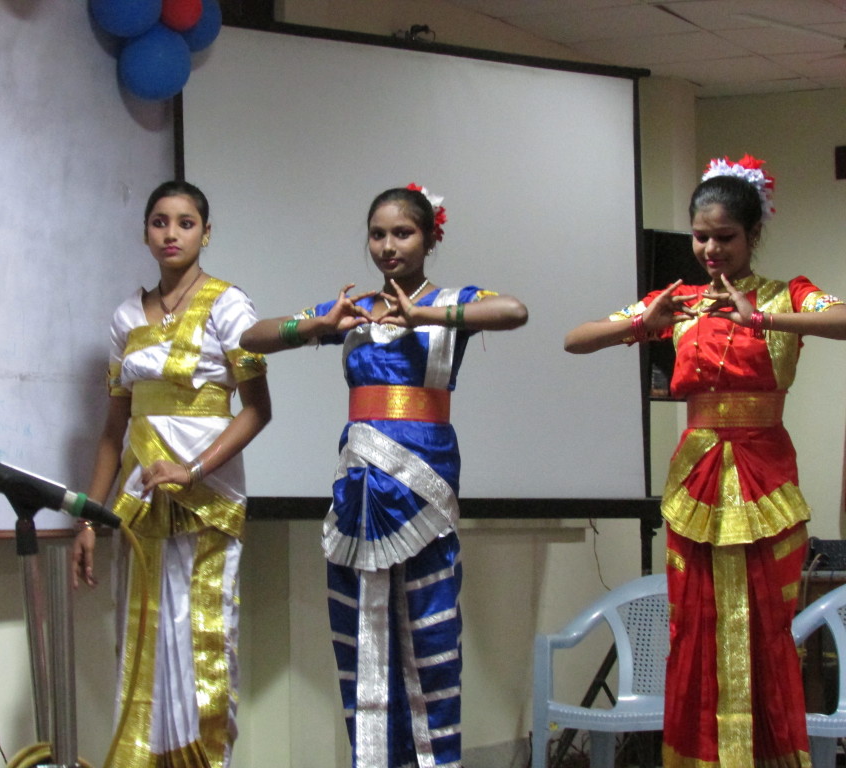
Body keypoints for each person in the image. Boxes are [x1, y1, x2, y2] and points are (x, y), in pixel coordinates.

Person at [564, 155, 846, 768]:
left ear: (753, 235)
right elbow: (576, 337)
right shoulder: (681, 301)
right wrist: (643, 323)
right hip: (696, 477)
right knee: (694, 627)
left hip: (766, 473)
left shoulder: (786, 294)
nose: (711, 249)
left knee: (767, 629)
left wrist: (764, 318)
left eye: (725, 237)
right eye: (701, 237)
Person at [241, 184, 528, 768]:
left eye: (403, 233)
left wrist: (425, 314)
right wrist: (319, 324)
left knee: (431, 643)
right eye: (378, 234)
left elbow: (514, 311)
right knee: (362, 646)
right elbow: (253, 338)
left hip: (423, 493)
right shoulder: (355, 311)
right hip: (360, 496)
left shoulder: (453, 302)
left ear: (429, 237)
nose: (389, 245)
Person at [71, 180, 271, 768]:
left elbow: (259, 409)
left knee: (204, 649)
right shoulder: (124, 317)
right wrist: (89, 515)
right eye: (160, 221)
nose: (171, 233)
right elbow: (113, 430)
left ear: (206, 233)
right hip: (138, 507)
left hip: (208, 501)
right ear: (145, 233)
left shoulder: (232, 306)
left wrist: (193, 469)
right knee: (142, 652)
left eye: (186, 223)